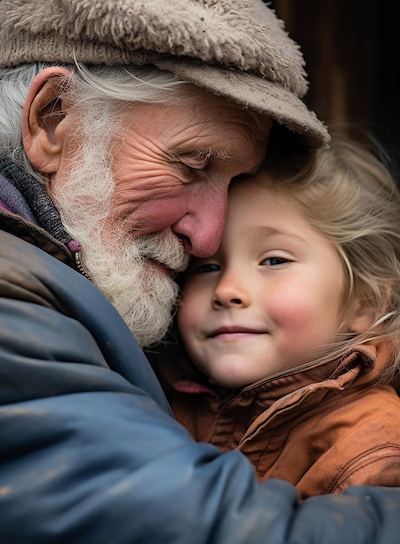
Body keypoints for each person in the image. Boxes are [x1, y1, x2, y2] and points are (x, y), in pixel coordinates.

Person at [0, 0, 399, 544]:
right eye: (193, 163)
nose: (206, 236)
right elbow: (203, 537)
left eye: (230, 183)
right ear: (51, 119)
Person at [153, 134, 400, 499]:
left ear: (365, 302)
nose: (227, 290)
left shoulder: (371, 450)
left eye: (274, 260)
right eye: (206, 268)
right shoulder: (155, 397)